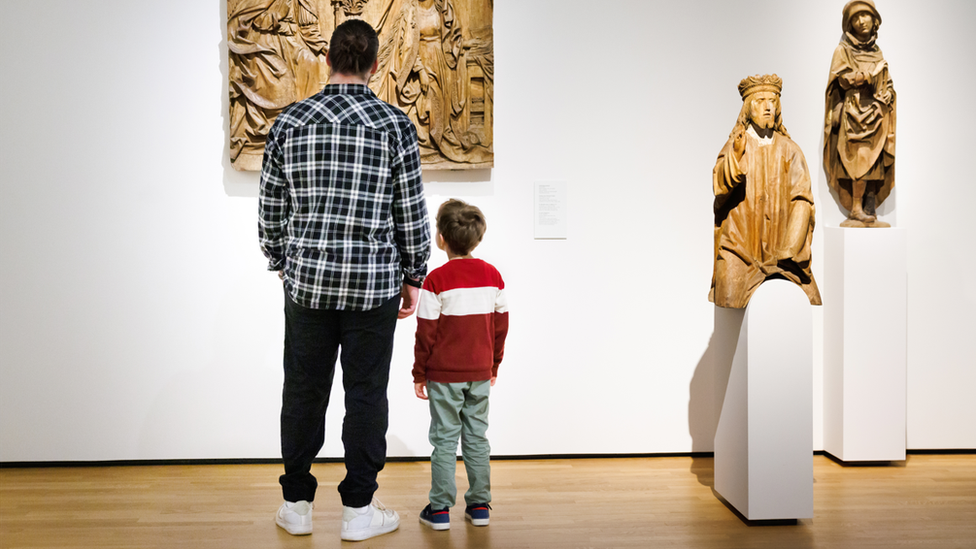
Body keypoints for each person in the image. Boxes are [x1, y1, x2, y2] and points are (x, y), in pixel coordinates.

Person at [258, 18, 430, 542]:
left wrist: (282, 259)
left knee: (303, 392)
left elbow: (270, 211)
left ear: (326, 60)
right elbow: (411, 212)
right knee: (366, 393)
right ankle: (358, 510)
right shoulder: (394, 125)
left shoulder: (289, 123)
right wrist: (414, 273)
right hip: (373, 286)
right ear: (375, 65)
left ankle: (297, 506)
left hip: (307, 285)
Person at [412, 199, 508, 531]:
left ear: (440, 237)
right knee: (477, 437)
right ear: (477, 237)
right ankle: (479, 506)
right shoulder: (493, 276)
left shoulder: (435, 280)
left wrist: (418, 373)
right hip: (480, 373)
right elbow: (500, 328)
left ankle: (440, 510)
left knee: (444, 439)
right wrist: (493, 364)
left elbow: (426, 333)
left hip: (443, 376)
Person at [710, 74, 823, 309]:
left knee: (807, 299)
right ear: (748, 108)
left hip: (782, 253)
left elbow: (803, 200)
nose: (768, 107)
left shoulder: (790, 150)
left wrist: (789, 249)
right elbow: (719, 187)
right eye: (761, 101)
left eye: (773, 101)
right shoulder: (737, 145)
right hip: (739, 248)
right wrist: (736, 156)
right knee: (728, 294)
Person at [823, 0, 896, 227]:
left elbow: (887, 81)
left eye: (865, 16)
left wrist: (888, 95)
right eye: (855, 18)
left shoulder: (877, 52)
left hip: (876, 114)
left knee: (874, 161)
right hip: (854, 116)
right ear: (849, 24)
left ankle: (868, 206)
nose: (861, 21)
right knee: (858, 160)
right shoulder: (842, 51)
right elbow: (842, 80)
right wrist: (868, 75)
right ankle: (855, 208)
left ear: (875, 20)